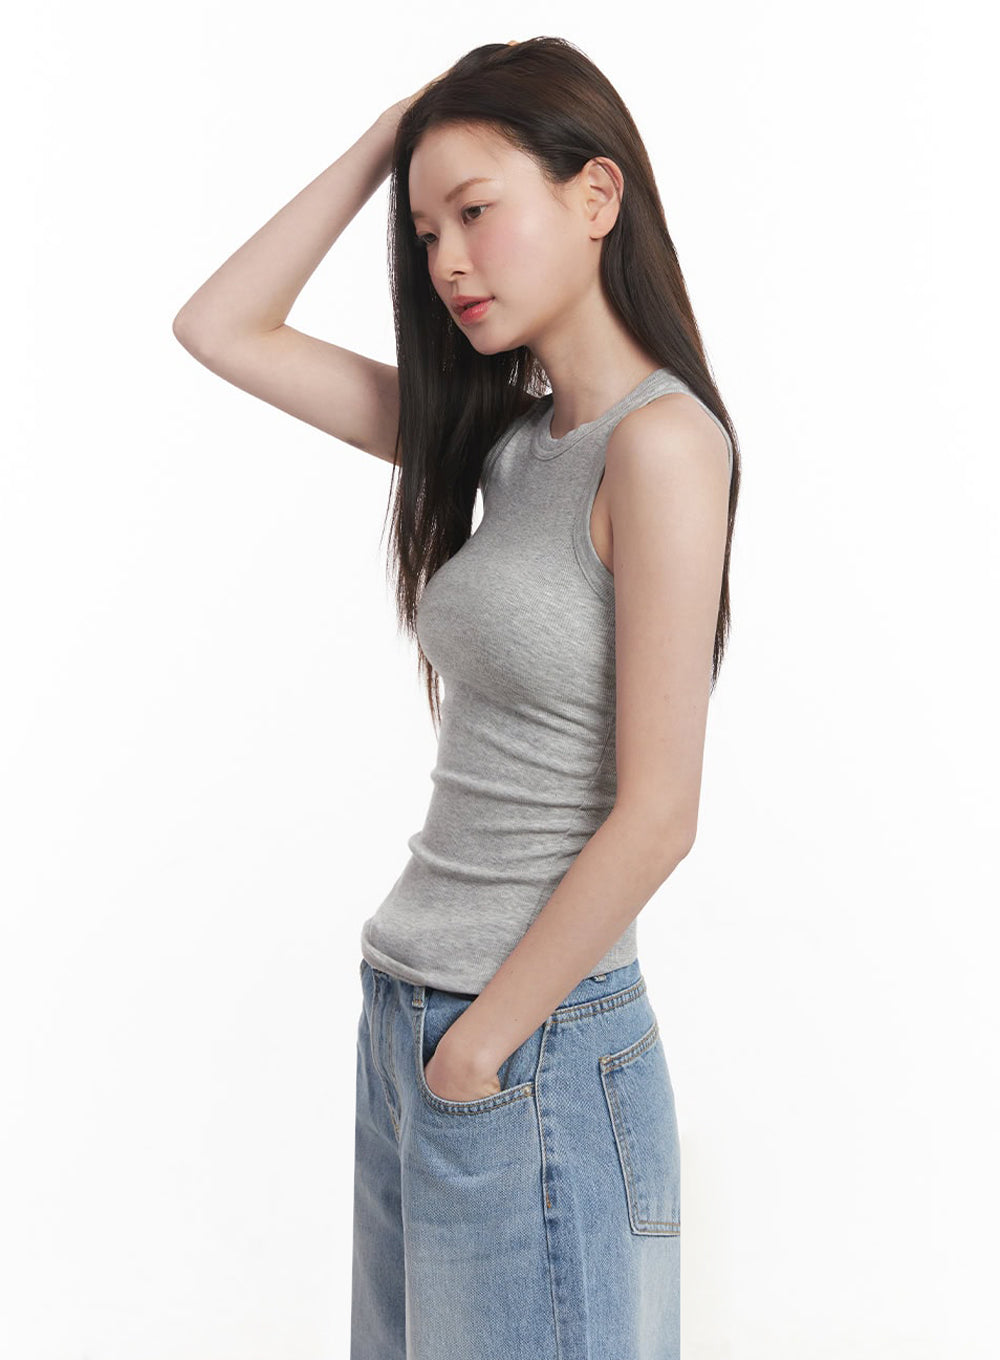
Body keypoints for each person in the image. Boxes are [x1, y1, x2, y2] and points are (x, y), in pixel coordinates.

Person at [173, 35, 740, 1360]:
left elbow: (660, 813)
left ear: (596, 196)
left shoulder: (662, 446)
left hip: (528, 1042)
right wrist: (396, 137)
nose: (445, 262)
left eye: (476, 212)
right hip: (414, 1015)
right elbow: (221, 327)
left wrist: (483, 1048)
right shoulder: (507, 438)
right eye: (426, 233)